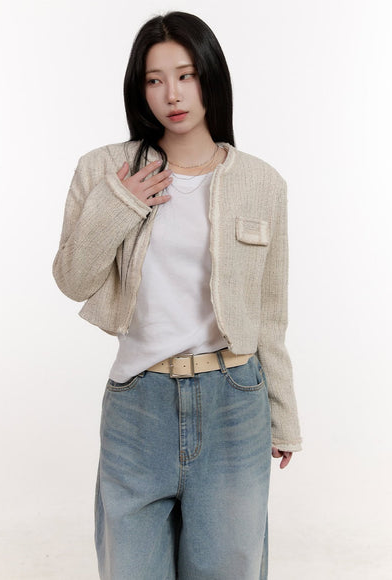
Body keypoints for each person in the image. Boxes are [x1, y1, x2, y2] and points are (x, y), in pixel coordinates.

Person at [52, 11, 302, 580]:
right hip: (137, 407)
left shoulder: (262, 183)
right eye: (154, 79)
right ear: (139, 89)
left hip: (234, 402)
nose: (172, 94)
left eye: (186, 75)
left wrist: (284, 415)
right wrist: (119, 202)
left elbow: (270, 313)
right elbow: (72, 279)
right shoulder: (105, 170)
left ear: (210, 76)